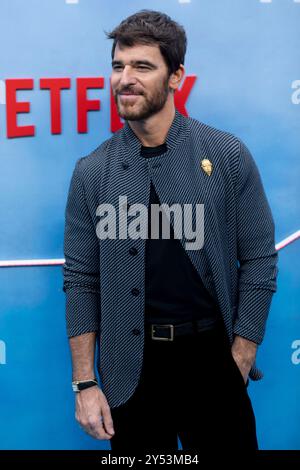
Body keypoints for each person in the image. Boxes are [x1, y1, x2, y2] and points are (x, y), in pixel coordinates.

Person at [63, 10, 278, 452]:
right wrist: (85, 383)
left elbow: (259, 258)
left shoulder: (227, 155)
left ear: (176, 76)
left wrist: (242, 353)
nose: (126, 79)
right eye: (118, 66)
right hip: (130, 371)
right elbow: (81, 281)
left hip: (211, 362)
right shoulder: (92, 172)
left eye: (143, 66)